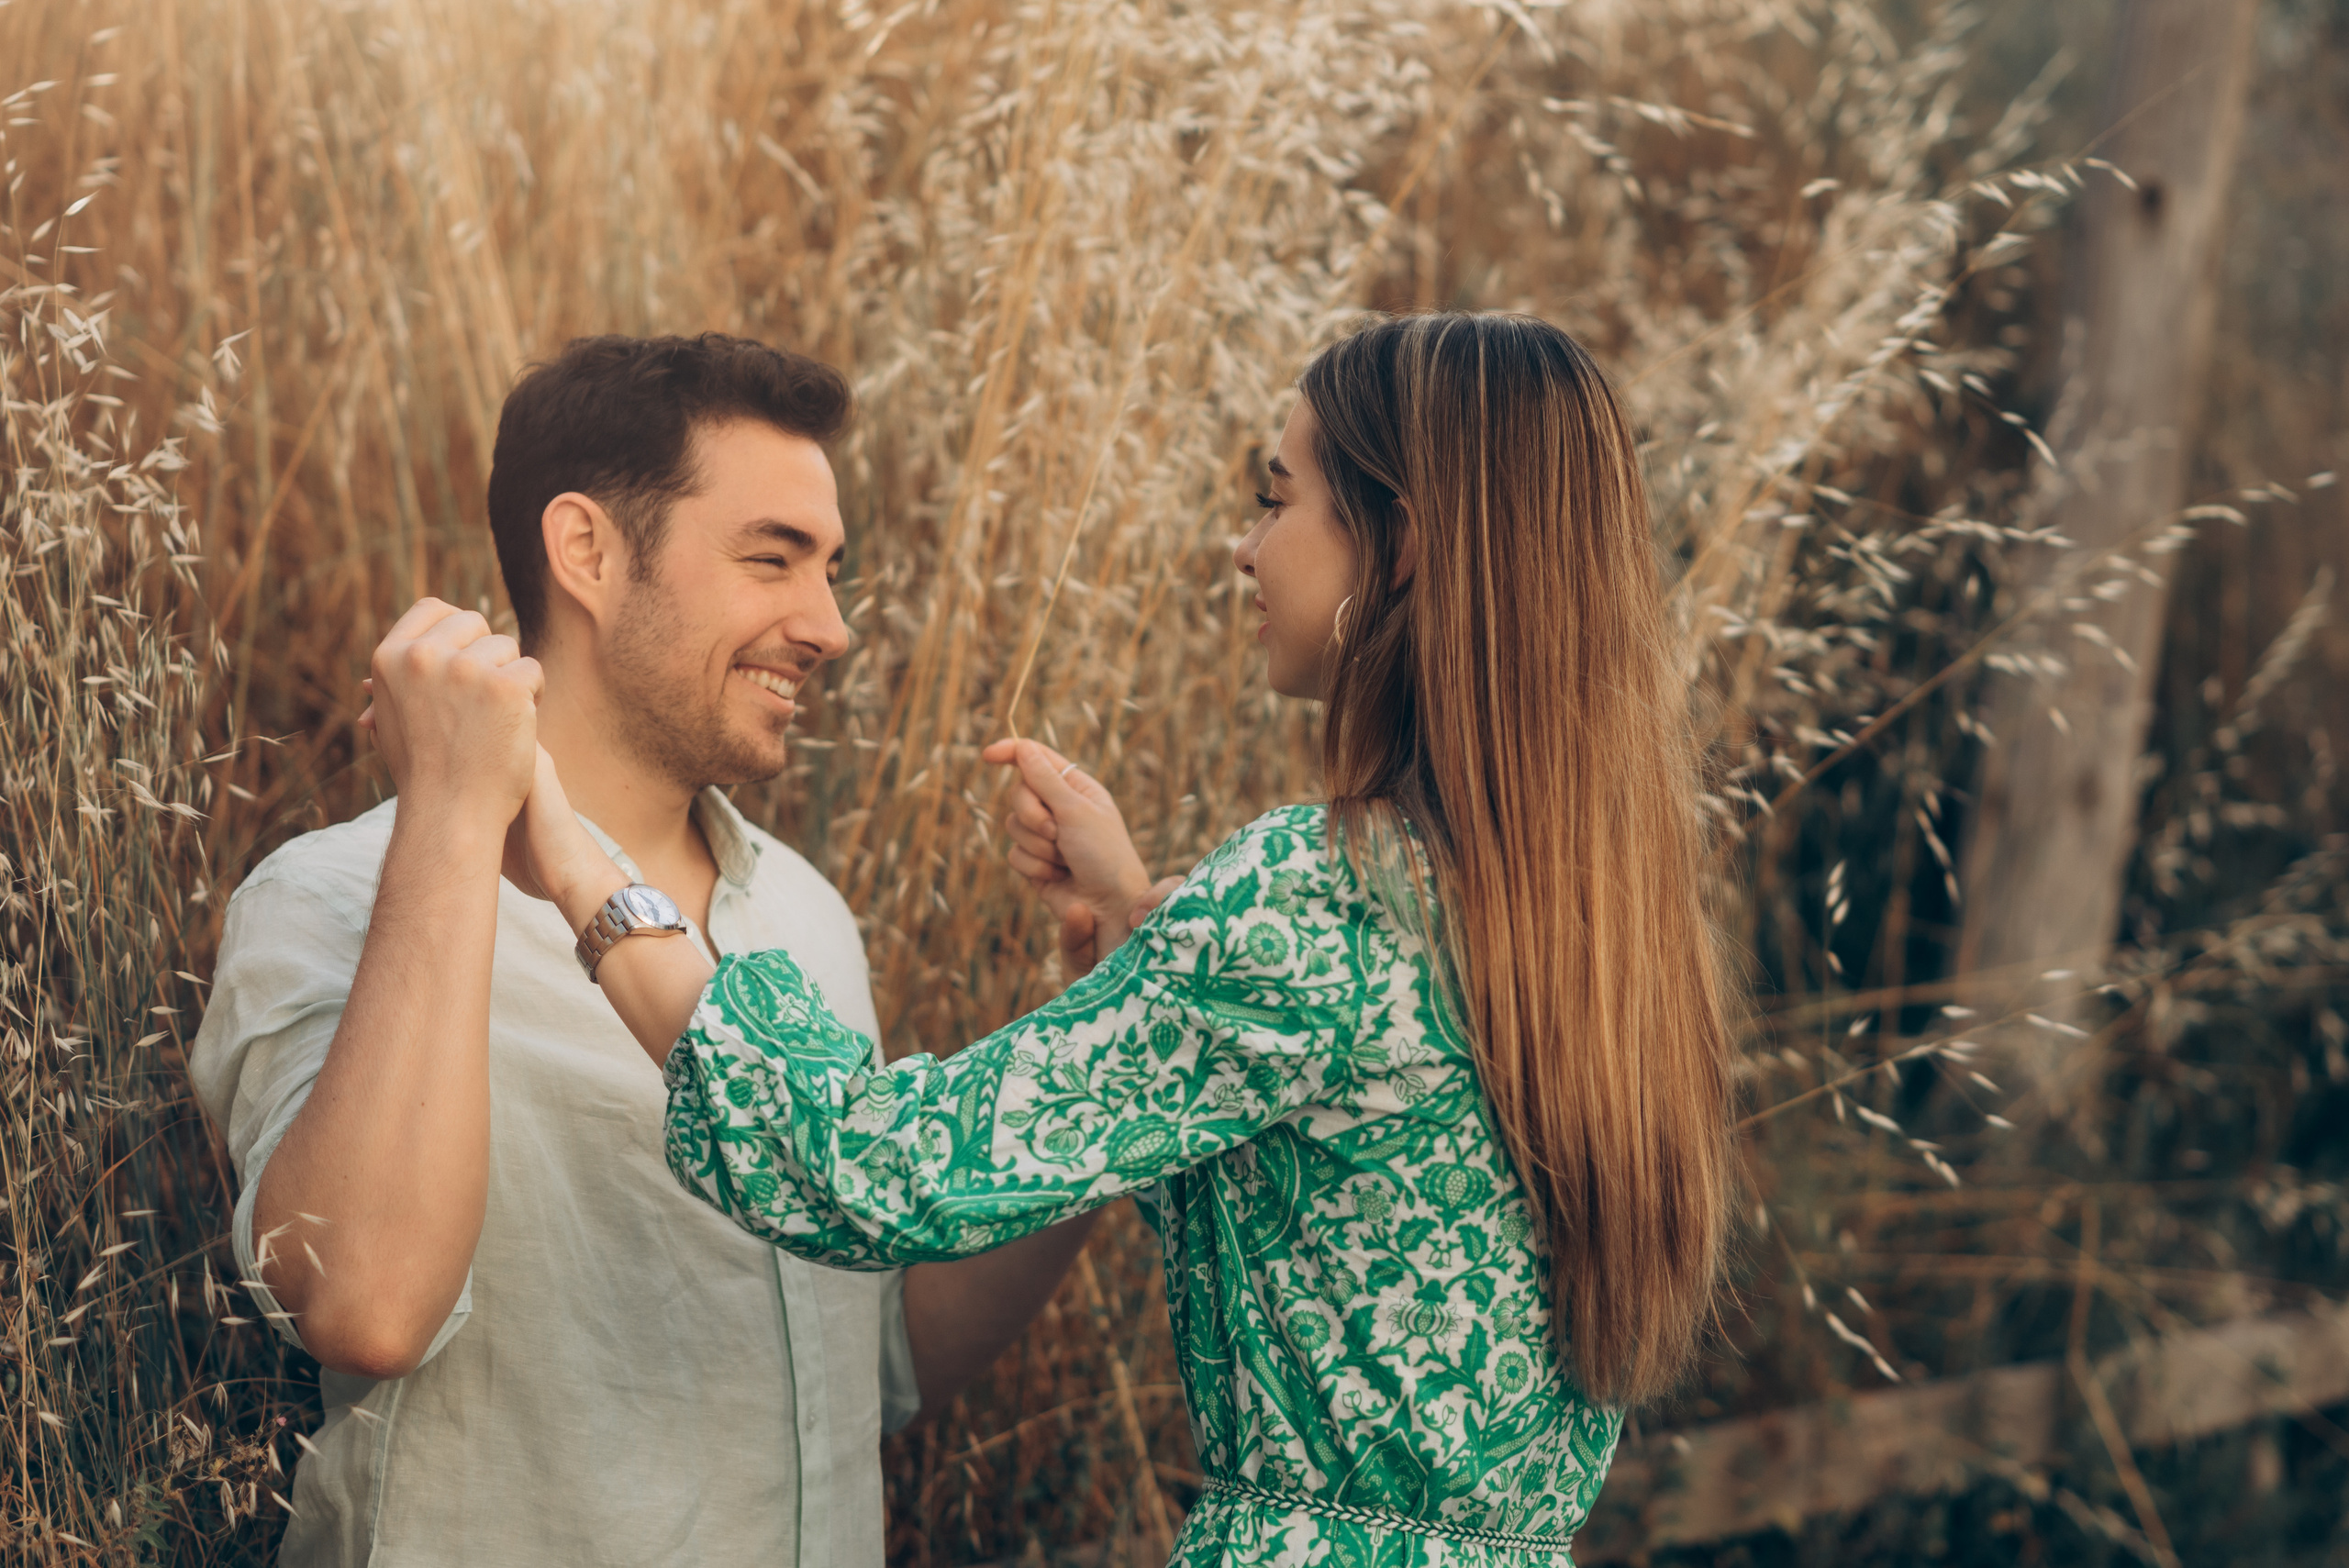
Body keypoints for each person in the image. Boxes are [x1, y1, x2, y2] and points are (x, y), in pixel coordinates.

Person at [384, 311, 1737, 1563]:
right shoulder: (1586, 918)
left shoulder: (1316, 896)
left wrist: (574, 859)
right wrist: (1149, 935)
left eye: (1278, 495)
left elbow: (862, 1166)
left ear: (1409, 539)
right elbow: (1361, 1108)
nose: (1246, 546)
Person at [189, 333, 1097, 1566]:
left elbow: (872, 1362)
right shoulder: (337, 897)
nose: (826, 624)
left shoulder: (804, 915)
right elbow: (365, 1303)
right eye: (772, 560)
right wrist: (457, 816)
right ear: (588, 552)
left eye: (830, 571)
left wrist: (1117, 1053)